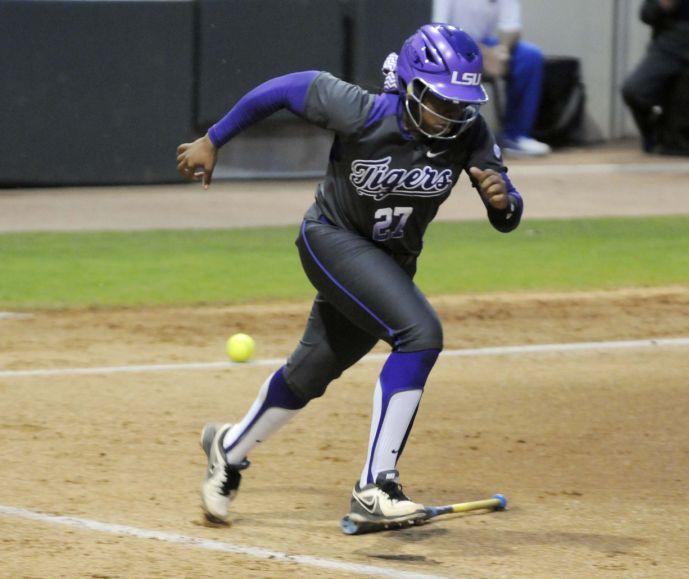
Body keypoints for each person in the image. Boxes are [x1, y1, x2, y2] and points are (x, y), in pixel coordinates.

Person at [176, 23, 523, 528]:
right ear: (410, 87)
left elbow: (507, 214)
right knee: (420, 334)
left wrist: (503, 201)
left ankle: (228, 448)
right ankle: (376, 485)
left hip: (389, 265)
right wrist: (213, 139)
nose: (451, 114)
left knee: (310, 373)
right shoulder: (361, 110)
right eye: (440, 101)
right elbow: (281, 89)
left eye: (459, 103)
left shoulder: (468, 132)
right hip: (331, 240)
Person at [432, 0, 551, 156]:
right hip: (450, 45)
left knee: (529, 56)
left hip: (486, 44)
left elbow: (511, 27)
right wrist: (482, 54)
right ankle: (444, 136)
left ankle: (515, 137)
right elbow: (439, 30)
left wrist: (502, 52)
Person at [622, 0, 689, 152]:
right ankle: (653, 133)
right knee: (634, 90)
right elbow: (646, 14)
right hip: (670, 38)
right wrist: (663, 5)